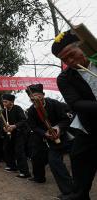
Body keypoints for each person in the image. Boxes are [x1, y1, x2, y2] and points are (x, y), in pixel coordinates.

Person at [53, 30, 97, 200]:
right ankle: (79, 195)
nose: (70, 61)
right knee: (78, 158)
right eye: (65, 59)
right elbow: (76, 103)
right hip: (89, 127)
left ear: (83, 46)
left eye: (72, 54)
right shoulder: (65, 78)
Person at [26, 83, 74, 199]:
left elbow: (66, 119)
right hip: (51, 140)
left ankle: (80, 188)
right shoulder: (31, 111)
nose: (35, 99)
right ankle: (69, 192)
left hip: (66, 137)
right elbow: (33, 126)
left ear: (43, 94)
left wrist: (58, 128)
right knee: (54, 162)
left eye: (38, 96)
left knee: (78, 161)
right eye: (32, 98)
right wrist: (45, 133)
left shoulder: (54, 104)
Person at [1, 94, 30, 178]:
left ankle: (25, 172)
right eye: (3, 101)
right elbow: (2, 121)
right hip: (9, 134)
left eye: (5, 102)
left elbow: (23, 121)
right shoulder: (4, 111)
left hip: (19, 133)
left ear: (11, 102)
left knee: (19, 151)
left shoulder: (18, 108)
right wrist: (4, 127)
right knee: (7, 149)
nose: (4, 103)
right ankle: (12, 166)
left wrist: (14, 126)